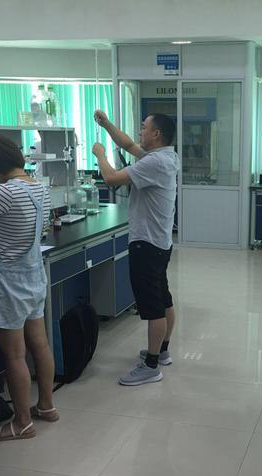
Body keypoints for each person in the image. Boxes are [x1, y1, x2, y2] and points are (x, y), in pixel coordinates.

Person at [0, 132, 58, 441]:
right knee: (40, 344)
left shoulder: (4, 192)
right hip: (33, 274)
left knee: (14, 354)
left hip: (8, 281)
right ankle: (46, 405)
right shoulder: (40, 187)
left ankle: (22, 422)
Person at [93, 110, 178, 386]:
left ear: (156, 133)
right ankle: (162, 351)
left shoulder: (154, 163)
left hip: (147, 243)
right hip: (160, 242)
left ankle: (151, 367)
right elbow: (128, 144)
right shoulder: (166, 156)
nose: (140, 131)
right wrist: (107, 124)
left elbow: (110, 178)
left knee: (153, 307)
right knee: (163, 298)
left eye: (144, 127)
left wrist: (100, 154)